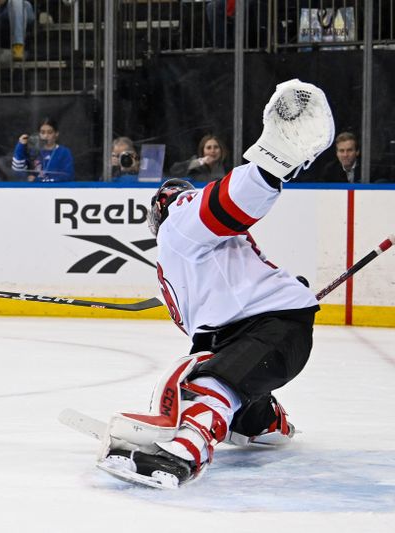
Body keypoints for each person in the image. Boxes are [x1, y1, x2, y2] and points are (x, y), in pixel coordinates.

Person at [96, 79, 335, 488]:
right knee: (211, 374)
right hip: (271, 333)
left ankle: (188, 448)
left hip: (273, 328)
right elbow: (209, 339)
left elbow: (222, 204)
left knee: (211, 383)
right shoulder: (185, 266)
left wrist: (271, 164)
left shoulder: (178, 226)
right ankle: (262, 421)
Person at [12, 117, 74, 182]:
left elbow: (68, 176)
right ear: (39, 134)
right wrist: (20, 146)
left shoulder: (64, 152)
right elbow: (17, 170)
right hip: (34, 190)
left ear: (56, 133)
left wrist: (38, 180)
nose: (46, 136)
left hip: (56, 191)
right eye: (42, 132)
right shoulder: (33, 152)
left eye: (49, 132)